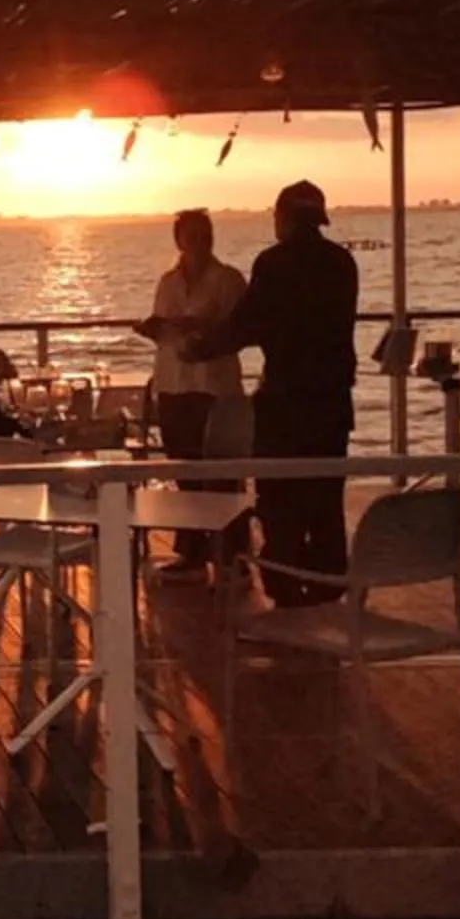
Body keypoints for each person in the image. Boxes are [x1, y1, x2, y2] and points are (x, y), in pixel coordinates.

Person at [185, 179, 359, 607]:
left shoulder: (274, 263)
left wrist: (200, 349)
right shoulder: (342, 263)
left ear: (282, 218)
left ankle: (285, 587)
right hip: (333, 401)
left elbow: (246, 325)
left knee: (281, 499)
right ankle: (326, 585)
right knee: (324, 497)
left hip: (286, 400)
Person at [133, 209, 246, 574]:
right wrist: (155, 329)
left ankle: (233, 556)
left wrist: (203, 326)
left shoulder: (228, 280)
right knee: (185, 472)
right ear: (178, 239)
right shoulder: (168, 282)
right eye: (191, 234)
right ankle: (193, 552)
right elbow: (163, 329)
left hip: (213, 386)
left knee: (223, 475)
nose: (199, 241)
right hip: (174, 383)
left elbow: (240, 331)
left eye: (204, 233)